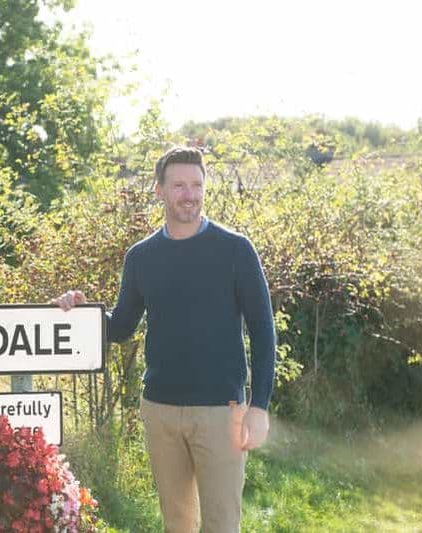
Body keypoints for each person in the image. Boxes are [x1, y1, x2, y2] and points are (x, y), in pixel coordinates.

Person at [53, 146, 276, 533]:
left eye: (196, 184)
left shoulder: (236, 250)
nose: (189, 194)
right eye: (178, 185)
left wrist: (259, 406)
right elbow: (120, 326)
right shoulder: (142, 256)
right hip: (160, 410)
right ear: (159, 190)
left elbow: (262, 329)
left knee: (222, 523)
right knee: (176, 523)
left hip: (220, 411)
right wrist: (81, 312)